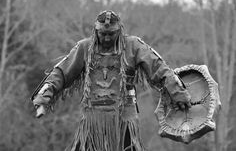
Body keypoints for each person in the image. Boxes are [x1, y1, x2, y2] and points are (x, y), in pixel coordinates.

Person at [32, 10, 191, 151]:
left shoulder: (134, 46)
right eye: (102, 34)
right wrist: (45, 95)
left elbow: (158, 67)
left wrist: (177, 92)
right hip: (92, 122)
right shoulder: (84, 48)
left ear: (119, 30)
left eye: (111, 34)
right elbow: (61, 72)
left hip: (125, 120)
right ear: (95, 31)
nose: (107, 38)